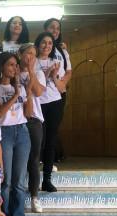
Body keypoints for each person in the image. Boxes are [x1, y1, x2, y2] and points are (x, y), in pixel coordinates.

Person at [0, 52, 33, 216]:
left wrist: (26, 92)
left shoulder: (21, 87)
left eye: (16, 65)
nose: (14, 68)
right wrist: (15, 94)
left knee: (19, 181)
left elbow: (28, 113)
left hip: (22, 131)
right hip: (5, 133)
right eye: (11, 64)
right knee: (5, 181)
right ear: (1, 67)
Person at [34, 32, 66, 193]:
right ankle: (33, 179)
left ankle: (47, 179)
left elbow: (61, 88)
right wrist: (46, 76)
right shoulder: (32, 62)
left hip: (54, 103)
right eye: (43, 42)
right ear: (38, 44)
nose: (47, 46)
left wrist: (54, 77)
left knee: (51, 142)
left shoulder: (56, 62)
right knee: (40, 141)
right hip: (38, 104)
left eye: (50, 43)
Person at [16, 44, 46, 213]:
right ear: (20, 54)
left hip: (33, 120)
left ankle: (34, 196)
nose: (31, 57)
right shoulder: (13, 71)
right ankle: (16, 197)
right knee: (18, 162)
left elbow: (38, 92)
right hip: (16, 119)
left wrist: (31, 70)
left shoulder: (38, 73)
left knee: (34, 161)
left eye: (34, 55)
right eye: (28, 53)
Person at [44, 18, 72, 165]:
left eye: (58, 28)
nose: (55, 31)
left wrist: (62, 82)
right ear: (45, 29)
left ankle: (52, 158)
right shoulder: (39, 48)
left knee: (53, 128)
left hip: (59, 93)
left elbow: (68, 72)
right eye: (51, 27)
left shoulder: (63, 50)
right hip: (41, 95)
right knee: (41, 128)